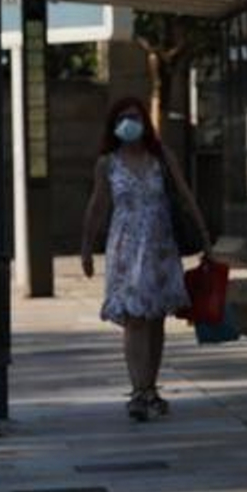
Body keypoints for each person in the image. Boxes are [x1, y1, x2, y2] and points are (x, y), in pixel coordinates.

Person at [80, 97, 210, 422]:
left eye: (134, 116)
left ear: (145, 122)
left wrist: (204, 237)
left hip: (160, 247)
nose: (129, 122)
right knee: (134, 319)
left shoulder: (161, 157)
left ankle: (150, 387)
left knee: (155, 319)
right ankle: (139, 391)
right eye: (122, 117)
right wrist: (86, 247)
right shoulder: (107, 163)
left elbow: (183, 193)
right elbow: (97, 205)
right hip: (125, 249)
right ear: (114, 125)